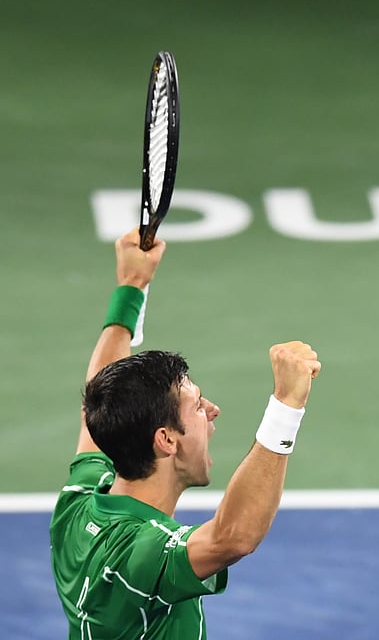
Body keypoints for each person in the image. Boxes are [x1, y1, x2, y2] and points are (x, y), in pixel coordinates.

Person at [49, 227, 321, 639]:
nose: (212, 410)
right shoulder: (142, 554)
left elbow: (99, 397)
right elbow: (234, 537)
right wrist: (286, 405)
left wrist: (132, 286)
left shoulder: (78, 507)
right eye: (197, 405)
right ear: (166, 440)